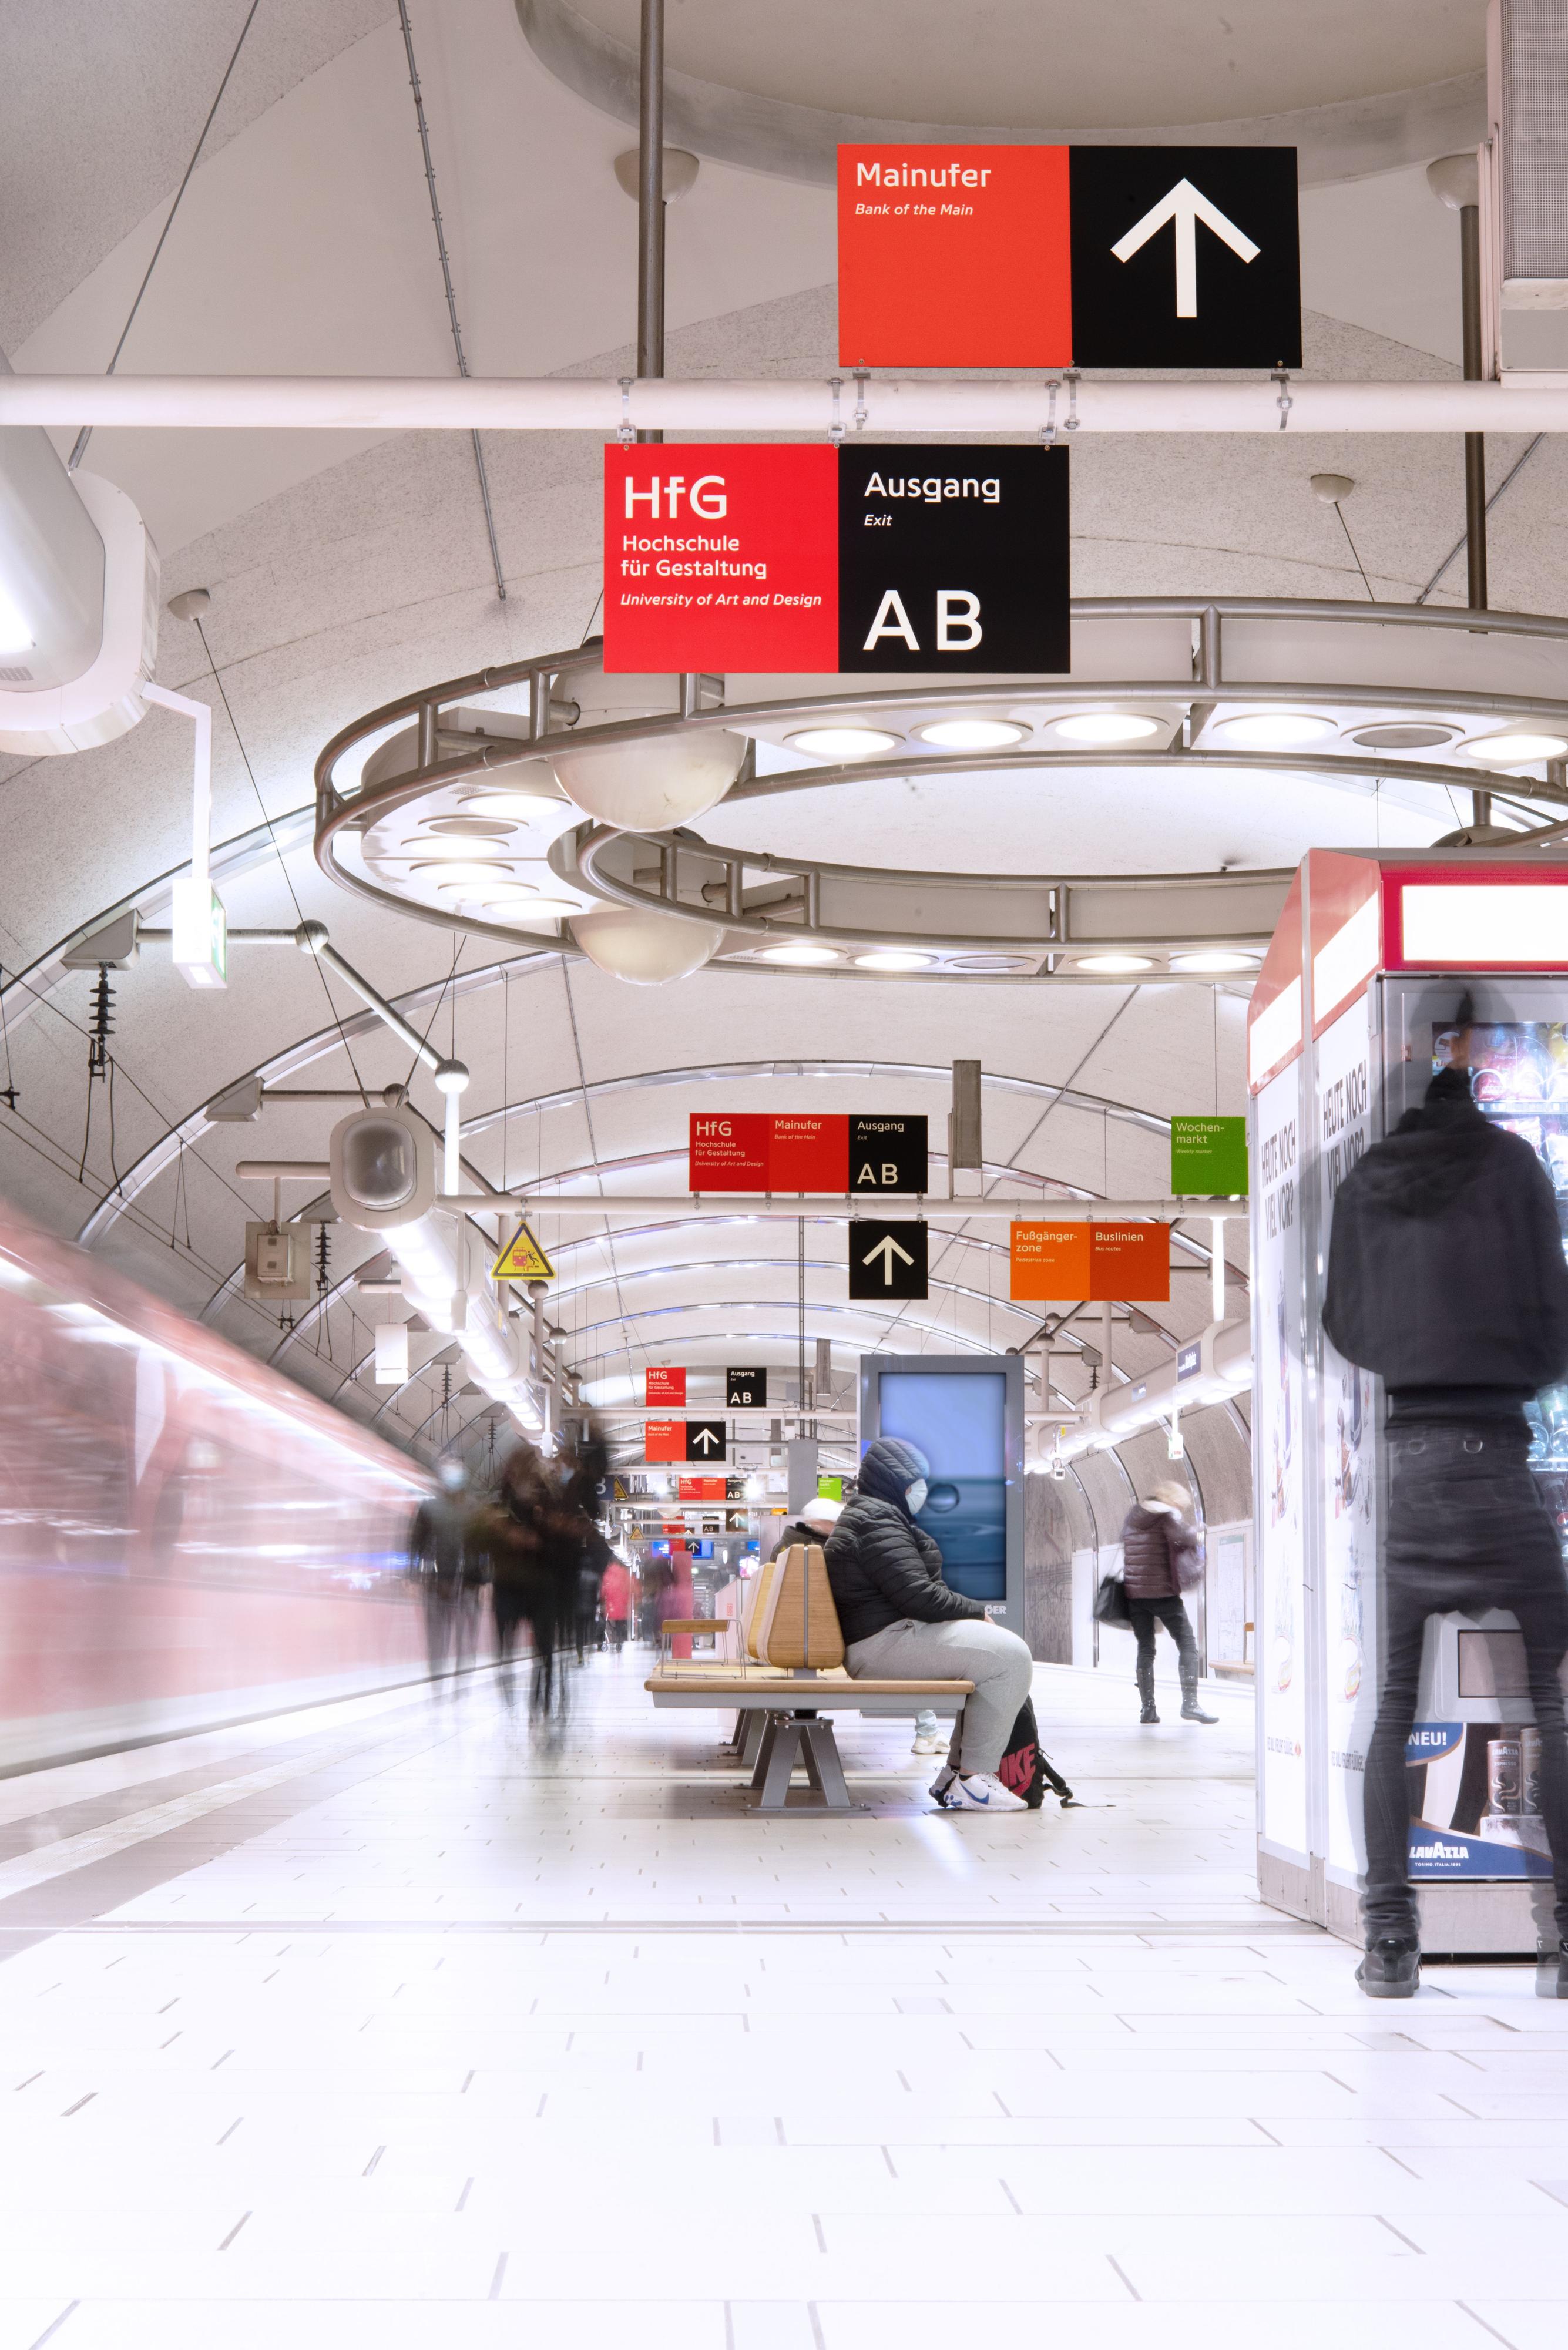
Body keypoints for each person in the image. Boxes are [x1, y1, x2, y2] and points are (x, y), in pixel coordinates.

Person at [1324, 1029, 1568, 2000]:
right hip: (1499, 1466)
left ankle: (1389, 1944)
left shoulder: (1366, 1183)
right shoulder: (1514, 1169)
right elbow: (1555, 1327)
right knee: (1545, 1709)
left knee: (1389, 1706)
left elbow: (1341, 1324)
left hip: (1404, 1473)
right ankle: (1560, 1941)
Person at [824, 1435, 1035, 1812]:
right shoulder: (875, 1520)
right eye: (915, 1482)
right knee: (1010, 1657)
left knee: (995, 1656)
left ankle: (956, 1774)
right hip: (882, 1643)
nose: (922, 1489)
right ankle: (974, 1780)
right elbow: (919, 1597)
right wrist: (978, 1612)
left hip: (879, 1638)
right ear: (896, 1482)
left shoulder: (875, 1516)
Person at [1119, 1482, 1217, 1725]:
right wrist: (1199, 1530)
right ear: (1172, 1501)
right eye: (1180, 1504)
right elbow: (1184, 1539)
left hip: (1135, 1595)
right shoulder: (1165, 1517)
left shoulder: (1133, 1518)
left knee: (1145, 1649)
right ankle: (1190, 1704)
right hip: (1163, 1593)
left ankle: (1148, 1709)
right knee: (1187, 1644)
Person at [408, 1459, 479, 1686]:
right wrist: (413, 1575)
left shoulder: (473, 1508)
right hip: (438, 1579)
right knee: (440, 1628)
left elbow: (483, 1546)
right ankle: (438, 1670)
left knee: (457, 1629)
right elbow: (416, 1543)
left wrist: (483, 1578)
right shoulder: (429, 1508)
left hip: (465, 1579)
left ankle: (458, 1671)